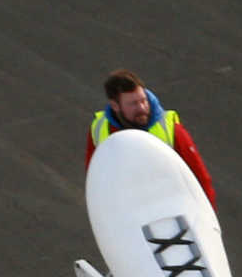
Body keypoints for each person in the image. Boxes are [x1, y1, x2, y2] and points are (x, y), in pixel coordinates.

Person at [88, 69, 216, 205]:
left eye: (143, 100)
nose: (142, 108)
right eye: (133, 104)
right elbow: (95, 181)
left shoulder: (171, 130)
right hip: (129, 210)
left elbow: (201, 179)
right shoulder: (99, 130)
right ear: (115, 106)